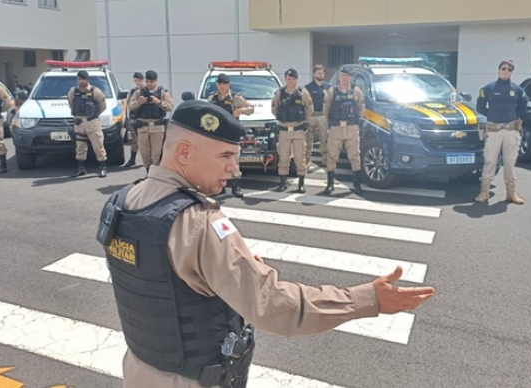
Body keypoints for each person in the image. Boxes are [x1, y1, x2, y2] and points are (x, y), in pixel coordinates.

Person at [97, 100, 436, 388]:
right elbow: (277, 308)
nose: (234, 167)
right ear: (184, 152)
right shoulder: (199, 222)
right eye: (225, 156)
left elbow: (159, 279)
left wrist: (214, 272)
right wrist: (367, 299)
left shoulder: (123, 202)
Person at [474, 60, 528, 204]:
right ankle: (484, 192)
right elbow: (480, 107)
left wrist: (516, 118)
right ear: (498, 70)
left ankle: (511, 193)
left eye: (509, 69)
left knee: (510, 163)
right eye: (503, 68)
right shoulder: (488, 88)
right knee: (490, 161)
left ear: (512, 72)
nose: (506, 70)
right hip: (494, 130)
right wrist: (492, 115)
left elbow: (523, 106)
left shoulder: (517, 90)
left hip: (511, 130)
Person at [207, 73, 254, 198]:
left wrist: (241, 110)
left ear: (228, 84)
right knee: (217, 162)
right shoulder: (212, 98)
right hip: (217, 135)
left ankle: (236, 187)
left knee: (233, 161)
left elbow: (251, 108)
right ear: (217, 84)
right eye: (220, 84)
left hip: (232, 135)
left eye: (224, 84)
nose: (222, 86)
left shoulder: (235, 98)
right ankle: (220, 187)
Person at [323, 66, 365, 195]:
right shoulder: (332, 91)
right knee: (331, 156)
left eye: (347, 76)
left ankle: (356, 184)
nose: (345, 78)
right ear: (339, 77)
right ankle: (330, 184)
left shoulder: (356, 91)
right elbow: (326, 109)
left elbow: (361, 108)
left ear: (350, 77)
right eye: (342, 75)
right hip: (336, 128)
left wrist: (356, 123)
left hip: (351, 128)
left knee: (354, 156)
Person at [271, 68, 313, 193]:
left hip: (298, 129)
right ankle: (283, 183)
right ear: (285, 79)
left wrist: (303, 120)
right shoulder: (279, 93)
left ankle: (301, 184)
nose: (291, 81)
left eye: (293, 79)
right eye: (289, 79)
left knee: (300, 158)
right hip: (284, 130)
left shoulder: (303, 93)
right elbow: (274, 109)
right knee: (283, 157)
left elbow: (309, 108)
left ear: (296, 79)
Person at [129, 70, 174, 175]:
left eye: (151, 82)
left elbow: (170, 106)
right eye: (147, 81)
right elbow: (131, 105)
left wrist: (158, 102)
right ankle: (148, 172)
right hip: (143, 126)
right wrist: (139, 103)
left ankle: (155, 175)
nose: (149, 84)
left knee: (156, 154)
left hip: (157, 127)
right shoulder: (139, 92)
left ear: (156, 81)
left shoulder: (162, 92)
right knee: (145, 153)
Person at [67, 70, 108, 178]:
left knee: (98, 145)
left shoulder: (95, 91)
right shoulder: (73, 91)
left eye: (83, 79)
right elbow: (71, 103)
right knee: (80, 146)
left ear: (88, 80)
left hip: (92, 122)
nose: (80, 81)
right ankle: (81, 168)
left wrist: (94, 114)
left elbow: (102, 105)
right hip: (79, 122)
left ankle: (102, 168)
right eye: (79, 79)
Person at [304, 64, 330, 168]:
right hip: (312, 115)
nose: (321, 74)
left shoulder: (328, 87)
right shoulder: (308, 87)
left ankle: (325, 159)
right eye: (319, 73)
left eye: (322, 73)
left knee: (324, 138)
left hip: (323, 115)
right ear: (314, 74)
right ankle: (307, 160)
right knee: (308, 138)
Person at [124, 72, 145, 168]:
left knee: (145, 141)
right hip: (133, 118)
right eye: (136, 80)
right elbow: (128, 104)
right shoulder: (132, 91)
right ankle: (132, 159)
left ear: (142, 80)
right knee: (134, 140)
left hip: (143, 119)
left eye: (139, 80)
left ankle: (148, 161)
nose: (137, 82)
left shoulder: (145, 90)